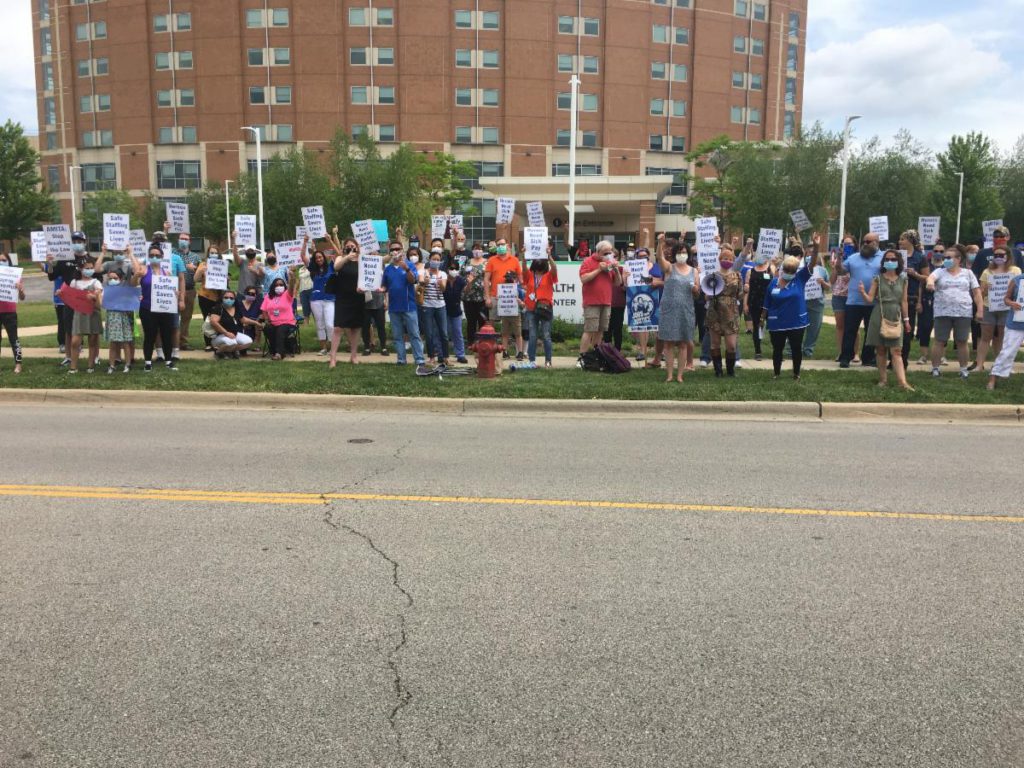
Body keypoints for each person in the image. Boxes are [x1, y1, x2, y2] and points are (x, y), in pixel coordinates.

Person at [925, 244, 983, 379]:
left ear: (958, 259)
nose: (946, 260)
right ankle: (935, 368)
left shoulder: (968, 273)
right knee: (939, 340)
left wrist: (980, 310)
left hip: (963, 312)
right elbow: (930, 278)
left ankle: (963, 369)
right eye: (945, 257)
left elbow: (977, 293)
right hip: (942, 312)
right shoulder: (939, 271)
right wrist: (930, 283)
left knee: (962, 341)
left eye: (949, 257)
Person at [861, 250, 914, 391]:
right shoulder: (877, 278)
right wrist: (862, 292)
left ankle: (902, 382)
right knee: (881, 349)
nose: (890, 262)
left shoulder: (903, 279)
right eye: (887, 259)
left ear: (898, 262)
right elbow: (870, 299)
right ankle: (883, 379)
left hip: (895, 314)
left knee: (897, 350)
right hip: (880, 313)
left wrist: (907, 319)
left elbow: (904, 301)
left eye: (893, 259)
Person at [761, 253, 814, 380]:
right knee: (777, 348)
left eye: (792, 270)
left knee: (796, 348)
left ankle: (796, 373)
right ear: (782, 269)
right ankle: (776, 373)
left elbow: (811, 265)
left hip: (796, 322)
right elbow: (767, 302)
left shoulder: (799, 279)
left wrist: (817, 248)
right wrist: (762, 318)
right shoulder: (773, 283)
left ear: (796, 271)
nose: (789, 272)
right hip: (777, 322)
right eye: (787, 270)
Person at [654, 236, 698, 383]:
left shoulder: (694, 271)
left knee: (683, 343)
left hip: (686, 310)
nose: (682, 254)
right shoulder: (669, 268)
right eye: (679, 252)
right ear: (674, 254)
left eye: (684, 252)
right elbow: (659, 257)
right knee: (668, 343)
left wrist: (695, 289)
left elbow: (697, 293)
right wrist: (660, 243)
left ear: (688, 254)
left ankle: (680, 375)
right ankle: (670, 374)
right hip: (669, 310)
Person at [972, 244, 1020, 372]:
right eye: (996, 255)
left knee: (1003, 338)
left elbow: (1019, 290)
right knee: (985, 337)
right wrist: (987, 289)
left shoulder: (1015, 271)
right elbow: (980, 293)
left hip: (1007, 308)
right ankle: (979, 365)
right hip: (989, 308)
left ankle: (1001, 365)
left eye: (1001, 255)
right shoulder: (987, 272)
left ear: (1008, 256)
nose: (998, 257)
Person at [838, 232, 882, 368]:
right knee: (850, 330)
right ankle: (846, 357)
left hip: (873, 302)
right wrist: (838, 261)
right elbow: (841, 271)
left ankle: (868, 357)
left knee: (871, 331)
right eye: (864, 241)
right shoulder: (853, 258)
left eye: (868, 242)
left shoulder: (884, 257)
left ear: (876, 243)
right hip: (854, 301)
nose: (865, 244)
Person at [382, 240, 427, 371]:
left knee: (414, 334)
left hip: (409, 306)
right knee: (397, 336)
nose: (395, 251)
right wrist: (381, 289)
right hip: (393, 307)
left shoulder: (409, 265)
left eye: (397, 249)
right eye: (392, 249)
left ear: (402, 250)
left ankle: (419, 359)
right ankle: (401, 359)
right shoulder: (388, 269)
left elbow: (413, 280)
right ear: (390, 252)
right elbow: (385, 285)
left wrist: (406, 269)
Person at [101, 244, 142, 374]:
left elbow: (138, 271)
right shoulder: (107, 287)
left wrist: (130, 253)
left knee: (126, 340)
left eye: (115, 278)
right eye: (110, 278)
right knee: (113, 342)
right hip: (112, 316)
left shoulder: (127, 275)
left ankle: (128, 363)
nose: (112, 280)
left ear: (122, 278)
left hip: (125, 313)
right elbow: (101, 301)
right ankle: (112, 365)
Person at [139, 245, 179, 371]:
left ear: (162, 257)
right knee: (150, 335)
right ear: (148, 257)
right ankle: (148, 362)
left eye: (157, 255)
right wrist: (136, 278)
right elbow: (133, 285)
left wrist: (176, 294)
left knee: (167, 335)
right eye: (151, 255)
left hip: (164, 309)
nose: (154, 257)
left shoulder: (167, 273)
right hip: (147, 308)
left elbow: (171, 289)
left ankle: (168, 361)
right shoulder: (143, 270)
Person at [578, 240, 621, 354]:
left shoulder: (610, 263)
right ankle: (582, 356)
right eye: (605, 253)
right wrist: (598, 269)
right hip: (592, 302)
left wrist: (616, 269)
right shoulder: (587, 262)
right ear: (597, 252)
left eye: (610, 252)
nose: (608, 255)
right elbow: (584, 278)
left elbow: (617, 283)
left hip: (606, 302)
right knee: (590, 330)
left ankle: (596, 355)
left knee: (601, 330)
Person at [705, 245, 743, 377]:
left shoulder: (737, 275)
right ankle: (718, 370)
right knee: (715, 343)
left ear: (733, 260)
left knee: (731, 345)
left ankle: (730, 371)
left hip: (731, 312)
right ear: (720, 259)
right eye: (724, 258)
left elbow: (740, 294)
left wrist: (747, 290)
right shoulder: (713, 276)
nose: (727, 260)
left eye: (730, 258)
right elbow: (706, 295)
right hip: (714, 311)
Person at [483, 236, 524, 356]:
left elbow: (520, 279)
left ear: (508, 246)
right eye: (498, 245)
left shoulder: (515, 260)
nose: (501, 247)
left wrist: (517, 287)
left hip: (510, 298)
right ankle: (490, 348)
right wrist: (487, 297)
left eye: (502, 244)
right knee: (491, 324)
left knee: (512, 327)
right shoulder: (491, 260)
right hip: (495, 296)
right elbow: (486, 279)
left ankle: (515, 351)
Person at [328, 234, 364, 368]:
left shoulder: (362, 260)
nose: (350, 247)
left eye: (352, 245)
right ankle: (333, 357)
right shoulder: (340, 258)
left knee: (355, 327)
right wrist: (347, 258)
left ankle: (353, 355)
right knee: (338, 327)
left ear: (357, 247)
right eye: (347, 246)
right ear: (344, 248)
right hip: (342, 297)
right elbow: (336, 267)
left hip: (357, 296)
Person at [986, 268, 1024, 390]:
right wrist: (1012, 303)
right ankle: (993, 376)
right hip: (1016, 322)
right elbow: (1006, 299)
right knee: (1008, 351)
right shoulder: (1017, 280)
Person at [67, 256, 104, 374]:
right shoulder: (75, 283)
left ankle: (91, 365)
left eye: (91, 268)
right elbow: (70, 299)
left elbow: (100, 304)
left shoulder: (96, 282)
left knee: (92, 340)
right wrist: (62, 294)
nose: (89, 270)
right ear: (80, 269)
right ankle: (73, 367)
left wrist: (95, 297)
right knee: (75, 342)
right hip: (79, 315)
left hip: (93, 314)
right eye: (87, 268)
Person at [523, 246, 559, 368]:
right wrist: (524, 256)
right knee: (532, 335)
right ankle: (532, 360)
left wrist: (549, 256)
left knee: (546, 335)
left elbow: (554, 268)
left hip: (545, 308)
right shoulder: (529, 275)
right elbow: (523, 269)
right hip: (531, 309)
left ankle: (548, 361)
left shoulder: (549, 276)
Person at [898, 230, 929, 367]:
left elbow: (927, 278)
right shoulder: (896, 255)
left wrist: (914, 274)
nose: (900, 242)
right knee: (892, 329)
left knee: (906, 330)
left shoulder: (920, 257)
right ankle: (892, 358)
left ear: (911, 241)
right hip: (895, 295)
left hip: (911, 296)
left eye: (903, 239)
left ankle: (903, 359)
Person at [302, 238, 335, 355]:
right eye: (316, 258)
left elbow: (339, 253)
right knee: (320, 324)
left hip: (330, 298)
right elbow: (303, 257)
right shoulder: (313, 270)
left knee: (330, 324)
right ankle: (324, 348)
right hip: (316, 299)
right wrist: (305, 242)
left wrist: (330, 239)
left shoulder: (331, 266)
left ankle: (332, 348)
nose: (319, 259)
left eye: (320, 257)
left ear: (324, 257)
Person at [743, 246, 774, 361]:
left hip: (769, 303)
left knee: (773, 326)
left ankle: (777, 351)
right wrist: (745, 304)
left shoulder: (771, 268)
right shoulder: (750, 271)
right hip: (754, 303)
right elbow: (747, 289)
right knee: (756, 326)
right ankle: (758, 351)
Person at [420, 249, 449, 365]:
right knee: (429, 333)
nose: (436, 262)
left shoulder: (443, 274)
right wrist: (425, 282)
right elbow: (420, 285)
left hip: (440, 305)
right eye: (434, 259)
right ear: (429, 260)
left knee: (443, 332)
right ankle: (431, 357)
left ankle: (446, 357)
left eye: (438, 260)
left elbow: (443, 289)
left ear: (440, 261)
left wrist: (441, 283)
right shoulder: (423, 272)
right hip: (427, 305)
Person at [192, 246, 226, 350]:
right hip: (205, 297)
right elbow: (195, 279)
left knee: (218, 320)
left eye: (215, 253)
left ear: (218, 254)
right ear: (208, 253)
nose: (213, 254)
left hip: (218, 297)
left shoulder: (222, 265)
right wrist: (200, 271)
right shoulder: (203, 264)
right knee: (207, 320)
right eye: (211, 252)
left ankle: (217, 342)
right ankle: (208, 343)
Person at [801, 237, 830, 358]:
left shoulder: (822, 271)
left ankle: (808, 350)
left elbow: (829, 287)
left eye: (814, 253)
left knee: (814, 329)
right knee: (798, 327)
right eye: (809, 253)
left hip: (817, 303)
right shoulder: (800, 269)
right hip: (802, 302)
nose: (811, 255)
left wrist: (823, 283)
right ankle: (791, 349)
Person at [916, 244, 944, 365]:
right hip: (927, 300)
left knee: (942, 329)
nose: (938, 252)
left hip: (943, 301)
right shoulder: (927, 265)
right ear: (932, 252)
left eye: (941, 251)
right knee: (925, 328)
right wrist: (919, 302)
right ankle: (923, 356)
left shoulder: (947, 266)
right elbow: (921, 284)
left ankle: (942, 356)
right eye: (936, 250)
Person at [208, 290, 254, 358]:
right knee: (232, 343)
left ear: (234, 299)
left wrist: (256, 323)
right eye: (226, 297)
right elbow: (213, 322)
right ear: (222, 298)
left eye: (231, 298)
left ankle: (230, 351)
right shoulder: (218, 308)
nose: (229, 299)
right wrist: (226, 333)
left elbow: (243, 319)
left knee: (248, 341)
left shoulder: (236, 308)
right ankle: (219, 352)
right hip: (220, 336)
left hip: (234, 334)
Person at [0, 252, 25, 374]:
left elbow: (22, 297)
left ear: (9, 261)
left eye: (4, 260)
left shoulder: (15, 276)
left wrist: (20, 289)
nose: (2, 262)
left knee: (14, 339)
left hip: (9, 311)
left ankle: (18, 364)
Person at [261, 276, 297, 361]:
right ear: (273, 286)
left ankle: (279, 354)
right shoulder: (268, 296)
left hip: (287, 322)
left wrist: (292, 278)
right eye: (276, 285)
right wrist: (266, 320)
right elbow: (264, 310)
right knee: (267, 328)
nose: (279, 286)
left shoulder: (287, 294)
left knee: (280, 330)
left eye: (281, 284)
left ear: (284, 286)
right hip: (273, 322)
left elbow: (291, 288)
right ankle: (276, 350)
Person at [178, 235, 203, 350]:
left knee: (186, 317)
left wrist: (195, 269)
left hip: (189, 289)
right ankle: (171, 341)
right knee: (172, 316)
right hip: (175, 290)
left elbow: (202, 272)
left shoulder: (195, 256)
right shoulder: (173, 253)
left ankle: (183, 342)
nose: (183, 241)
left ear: (189, 241)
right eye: (181, 238)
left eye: (185, 239)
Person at [461, 242, 487, 345]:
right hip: (468, 296)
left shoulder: (487, 262)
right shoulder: (467, 262)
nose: (477, 250)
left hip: (482, 297)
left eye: (479, 248)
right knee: (471, 322)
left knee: (482, 320)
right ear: (472, 250)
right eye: (475, 248)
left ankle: (483, 343)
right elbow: (462, 275)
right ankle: (471, 343)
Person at [443, 258, 468, 364]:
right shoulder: (443, 279)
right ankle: (443, 354)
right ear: (447, 269)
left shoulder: (460, 280)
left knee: (457, 332)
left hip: (456, 309)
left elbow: (465, 292)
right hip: (443, 309)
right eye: (451, 268)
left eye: (456, 268)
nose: (454, 270)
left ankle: (460, 354)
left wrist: (470, 284)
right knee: (444, 333)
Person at [603, 251, 627, 350]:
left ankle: (617, 353)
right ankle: (607, 353)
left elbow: (625, 287)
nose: (611, 258)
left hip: (618, 304)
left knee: (617, 330)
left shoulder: (622, 270)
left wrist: (624, 277)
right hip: (605, 304)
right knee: (606, 330)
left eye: (614, 256)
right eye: (608, 256)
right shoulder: (604, 270)